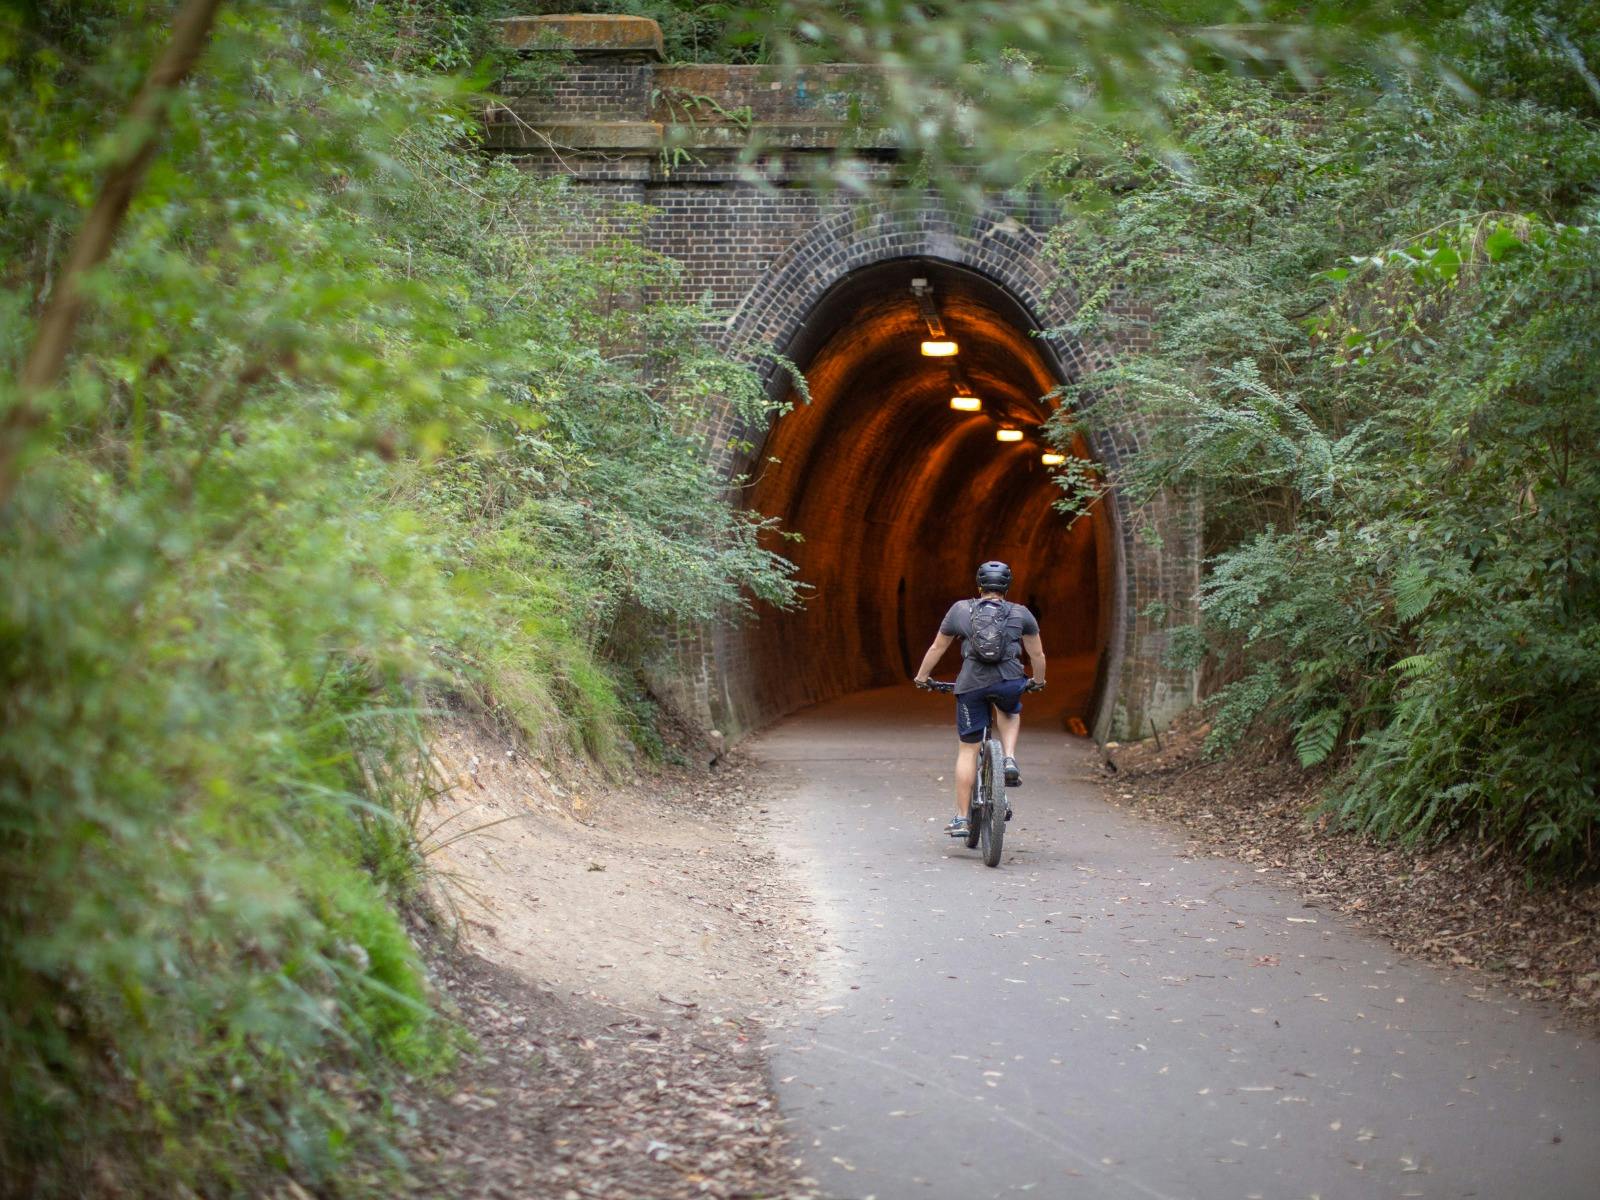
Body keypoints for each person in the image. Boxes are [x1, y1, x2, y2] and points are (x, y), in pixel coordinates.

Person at [913, 560, 1046, 838]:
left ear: (979, 585)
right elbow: (1037, 656)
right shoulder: (1021, 614)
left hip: (971, 684)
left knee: (967, 750)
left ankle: (962, 818)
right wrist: (1038, 681)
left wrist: (923, 676)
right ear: (1007, 587)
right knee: (1009, 711)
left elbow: (938, 646)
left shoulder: (960, 610)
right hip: (1009, 680)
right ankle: (1009, 758)